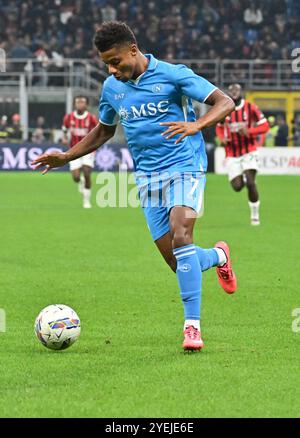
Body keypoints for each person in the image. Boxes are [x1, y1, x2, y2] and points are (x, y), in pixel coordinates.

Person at [32, 21, 237, 352]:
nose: (112, 70)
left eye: (116, 61)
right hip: (147, 177)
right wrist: (67, 157)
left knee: (182, 233)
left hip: (185, 166)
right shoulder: (113, 89)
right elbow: (104, 131)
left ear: (133, 49)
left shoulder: (173, 74)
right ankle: (218, 256)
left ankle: (192, 328)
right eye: (106, 65)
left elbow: (225, 102)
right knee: (177, 261)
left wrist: (196, 125)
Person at [216, 83, 269, 226]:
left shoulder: (251, 107)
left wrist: (250, 132)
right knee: (237, 187)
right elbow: (219, 127)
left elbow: (265, 126)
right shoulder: (225, 108)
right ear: (228, 92)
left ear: (241, 92)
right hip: (232, 154)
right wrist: (222, 139)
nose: (234, 92)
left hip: (249, 151)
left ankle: (255, 216)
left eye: (236, 90)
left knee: (251, 183)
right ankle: (245, 178)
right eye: (231, 90)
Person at [62, 96, 98, 209]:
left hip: (88, 149)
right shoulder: (69, 117)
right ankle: (80, 181)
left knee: (87, 172)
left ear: (86, 105)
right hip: (74, 150)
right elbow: (65, 128)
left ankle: (86, 201)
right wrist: (64, 137)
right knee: (76, 177)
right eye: (78, 102)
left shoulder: (91, 118)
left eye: (82, 102)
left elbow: (98, 131)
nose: (80, 104)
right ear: (74, 104)